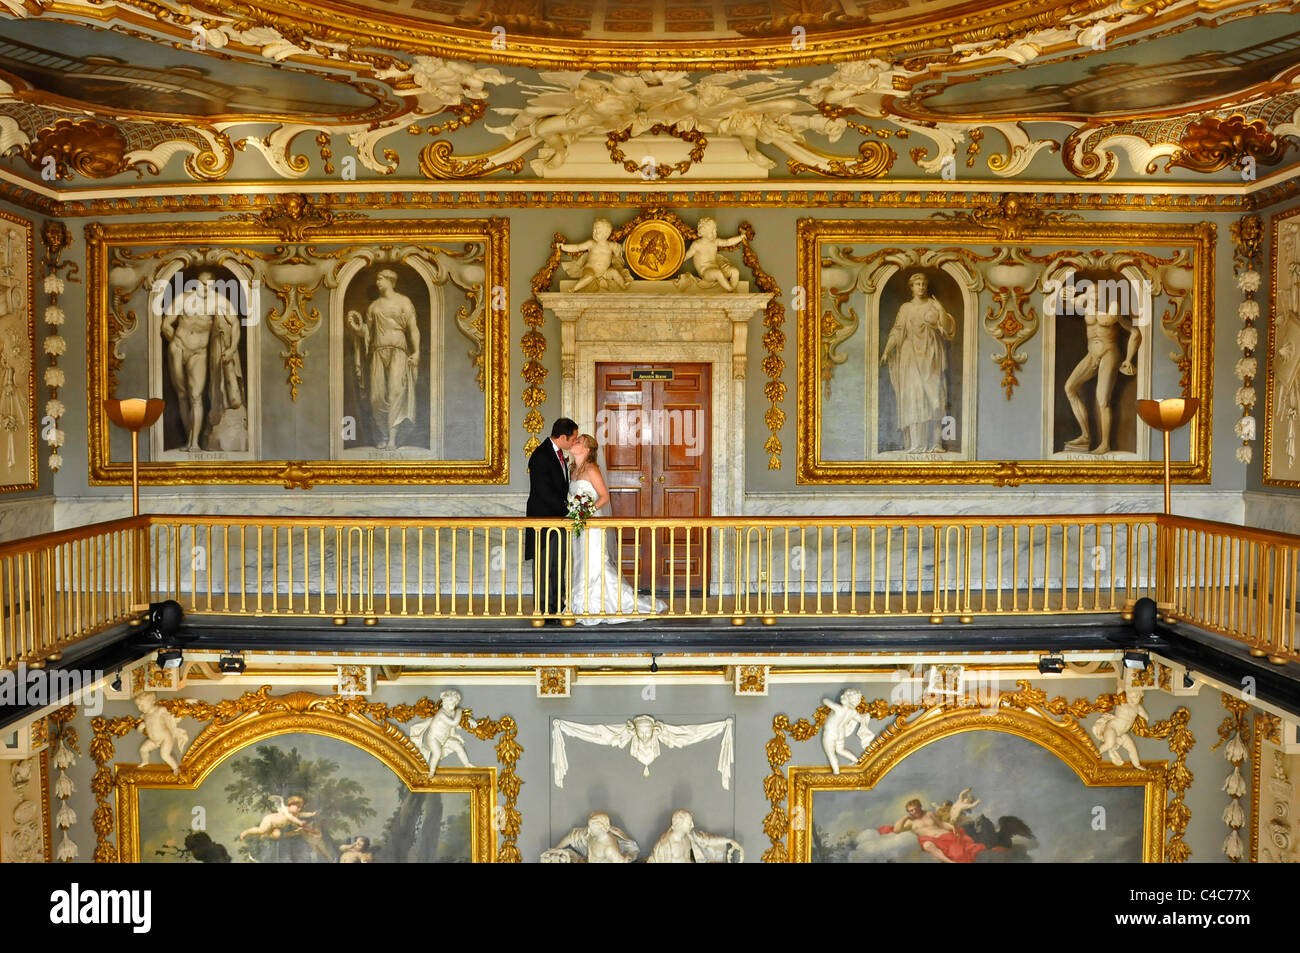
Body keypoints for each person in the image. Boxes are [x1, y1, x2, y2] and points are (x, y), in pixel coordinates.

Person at [567, 433, 667, 624]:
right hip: (578, 525)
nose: (575, 442)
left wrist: (585, 511)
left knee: (594, 562)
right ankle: (580, 603)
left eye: (579, 441)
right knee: (581, 562)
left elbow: (604, 497)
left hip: (592, 524)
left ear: (587, 449)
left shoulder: (591, 469)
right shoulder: (573, 470)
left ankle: (598, 604)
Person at [1058, 282, 1141, 454]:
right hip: (1092, 354)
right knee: (1069, 387)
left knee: (1102, 399)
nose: (1094, 299)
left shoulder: (1113, 308)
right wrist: (1062, 295)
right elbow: (1063, 305)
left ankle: (1105, 444)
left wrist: (1128, 359)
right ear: (1087, 296)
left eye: (1098, 295)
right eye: (1092, 295)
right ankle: (1086, 436)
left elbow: (1134, 332)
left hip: (1110, 353)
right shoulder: (1082, 303)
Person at [880, 272, 956, 453]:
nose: (921, 286)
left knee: (935, 397)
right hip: (910, 356)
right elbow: (897, 331)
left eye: (923, 283)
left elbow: (947, 328)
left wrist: (941, 309)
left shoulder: (933, 305)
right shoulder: (905, 308)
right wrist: (886, 351)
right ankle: (916, 444)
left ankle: (936, 443)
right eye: (917, 284)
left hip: (932, 355)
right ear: (911, 287)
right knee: (914, 397)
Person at [347, 269, 420, 451]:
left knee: (396, 392)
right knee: (376, 398)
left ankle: (392, 439)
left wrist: (417, 352)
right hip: (378, 352)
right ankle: (384, 434)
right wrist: (357, 328)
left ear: (390, 280)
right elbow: (367, 333)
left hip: (399, 351)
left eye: (380, 279)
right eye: (377, 279)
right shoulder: (373, 307)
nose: (378, 282)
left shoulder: (404, 302)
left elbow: (413, 328)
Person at [526, 417, 579, 623]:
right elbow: (543, 492)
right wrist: (568, 510)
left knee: (558, 566)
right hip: (544, 521)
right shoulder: (540, 455)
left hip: (558, 520)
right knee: (543, 567)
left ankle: (557, 607)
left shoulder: (559, 455)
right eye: (573, 439)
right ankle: (543, 610)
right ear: (563, 437)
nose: (574, 443)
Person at [878, 788, 984, 863]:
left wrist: (952, 828)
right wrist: (905, 817)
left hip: (945, 836)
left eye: (916, 808)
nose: (914, 812)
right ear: (908, 811)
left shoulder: (929, 814)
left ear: (920, 807)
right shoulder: (910, 821)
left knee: (960, 853)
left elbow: (941, 824)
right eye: (911, 811)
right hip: (929, 840)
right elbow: (896, 830)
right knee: (927, 846)